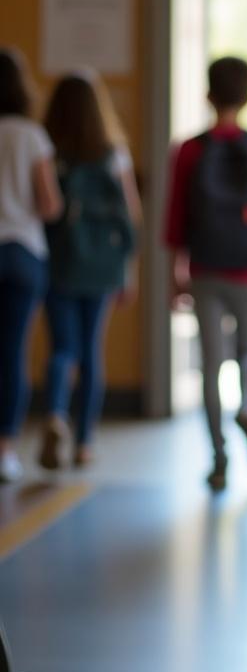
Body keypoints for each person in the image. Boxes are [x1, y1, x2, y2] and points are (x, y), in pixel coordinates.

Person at [163, 56, 247, 491]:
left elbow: (175, 219)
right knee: (246, 352)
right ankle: (246, 408)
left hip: (206, 268)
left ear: (208, 94)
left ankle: (218, 456)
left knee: (209, 365)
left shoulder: (189, 150)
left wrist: (175, 275)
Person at [37, 70, 143, 470]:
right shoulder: (113, 152)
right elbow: (131, 216)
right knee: (91, 351)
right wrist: (128, 273)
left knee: (62, 348)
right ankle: (84, 442)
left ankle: (53, 416)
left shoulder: (48, 148)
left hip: (58, 261)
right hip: (103, 264)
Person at [0, 47, 63, 483]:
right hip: (22, 253)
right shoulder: (30, 135)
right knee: (12, 352)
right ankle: (4, 449)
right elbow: (49, 204)